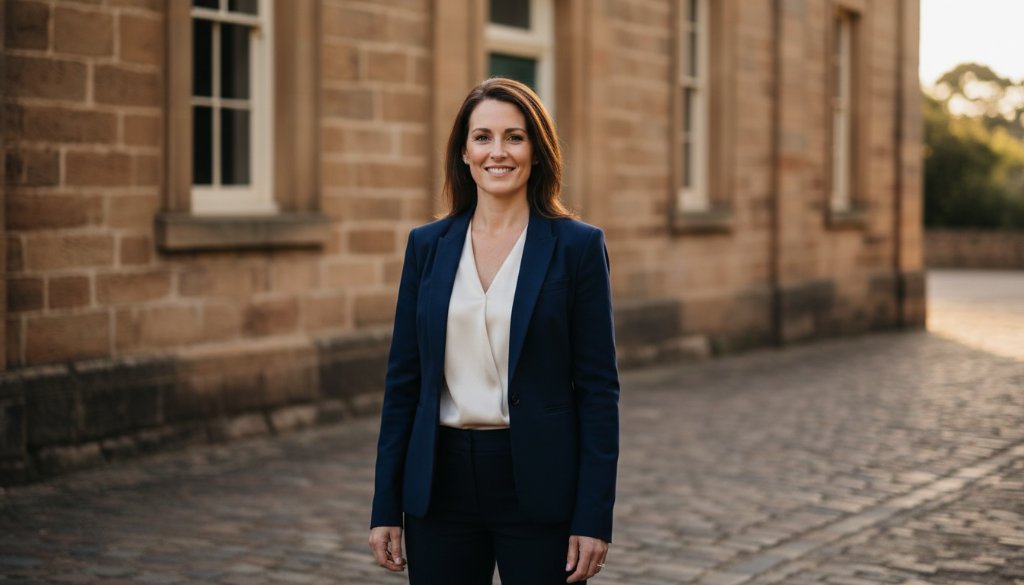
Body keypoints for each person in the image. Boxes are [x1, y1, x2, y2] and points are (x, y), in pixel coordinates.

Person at [368, 77, 620, 585]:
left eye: (515, 137)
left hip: (540, 484)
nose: (497, 152)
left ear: (537, 150)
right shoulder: (427, 246)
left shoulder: (577, 247)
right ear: (463, 151)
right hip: (439, 487)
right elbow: (404, 385)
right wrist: (384, 505)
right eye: (482, 137)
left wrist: (592, 516)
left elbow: (598, 392)